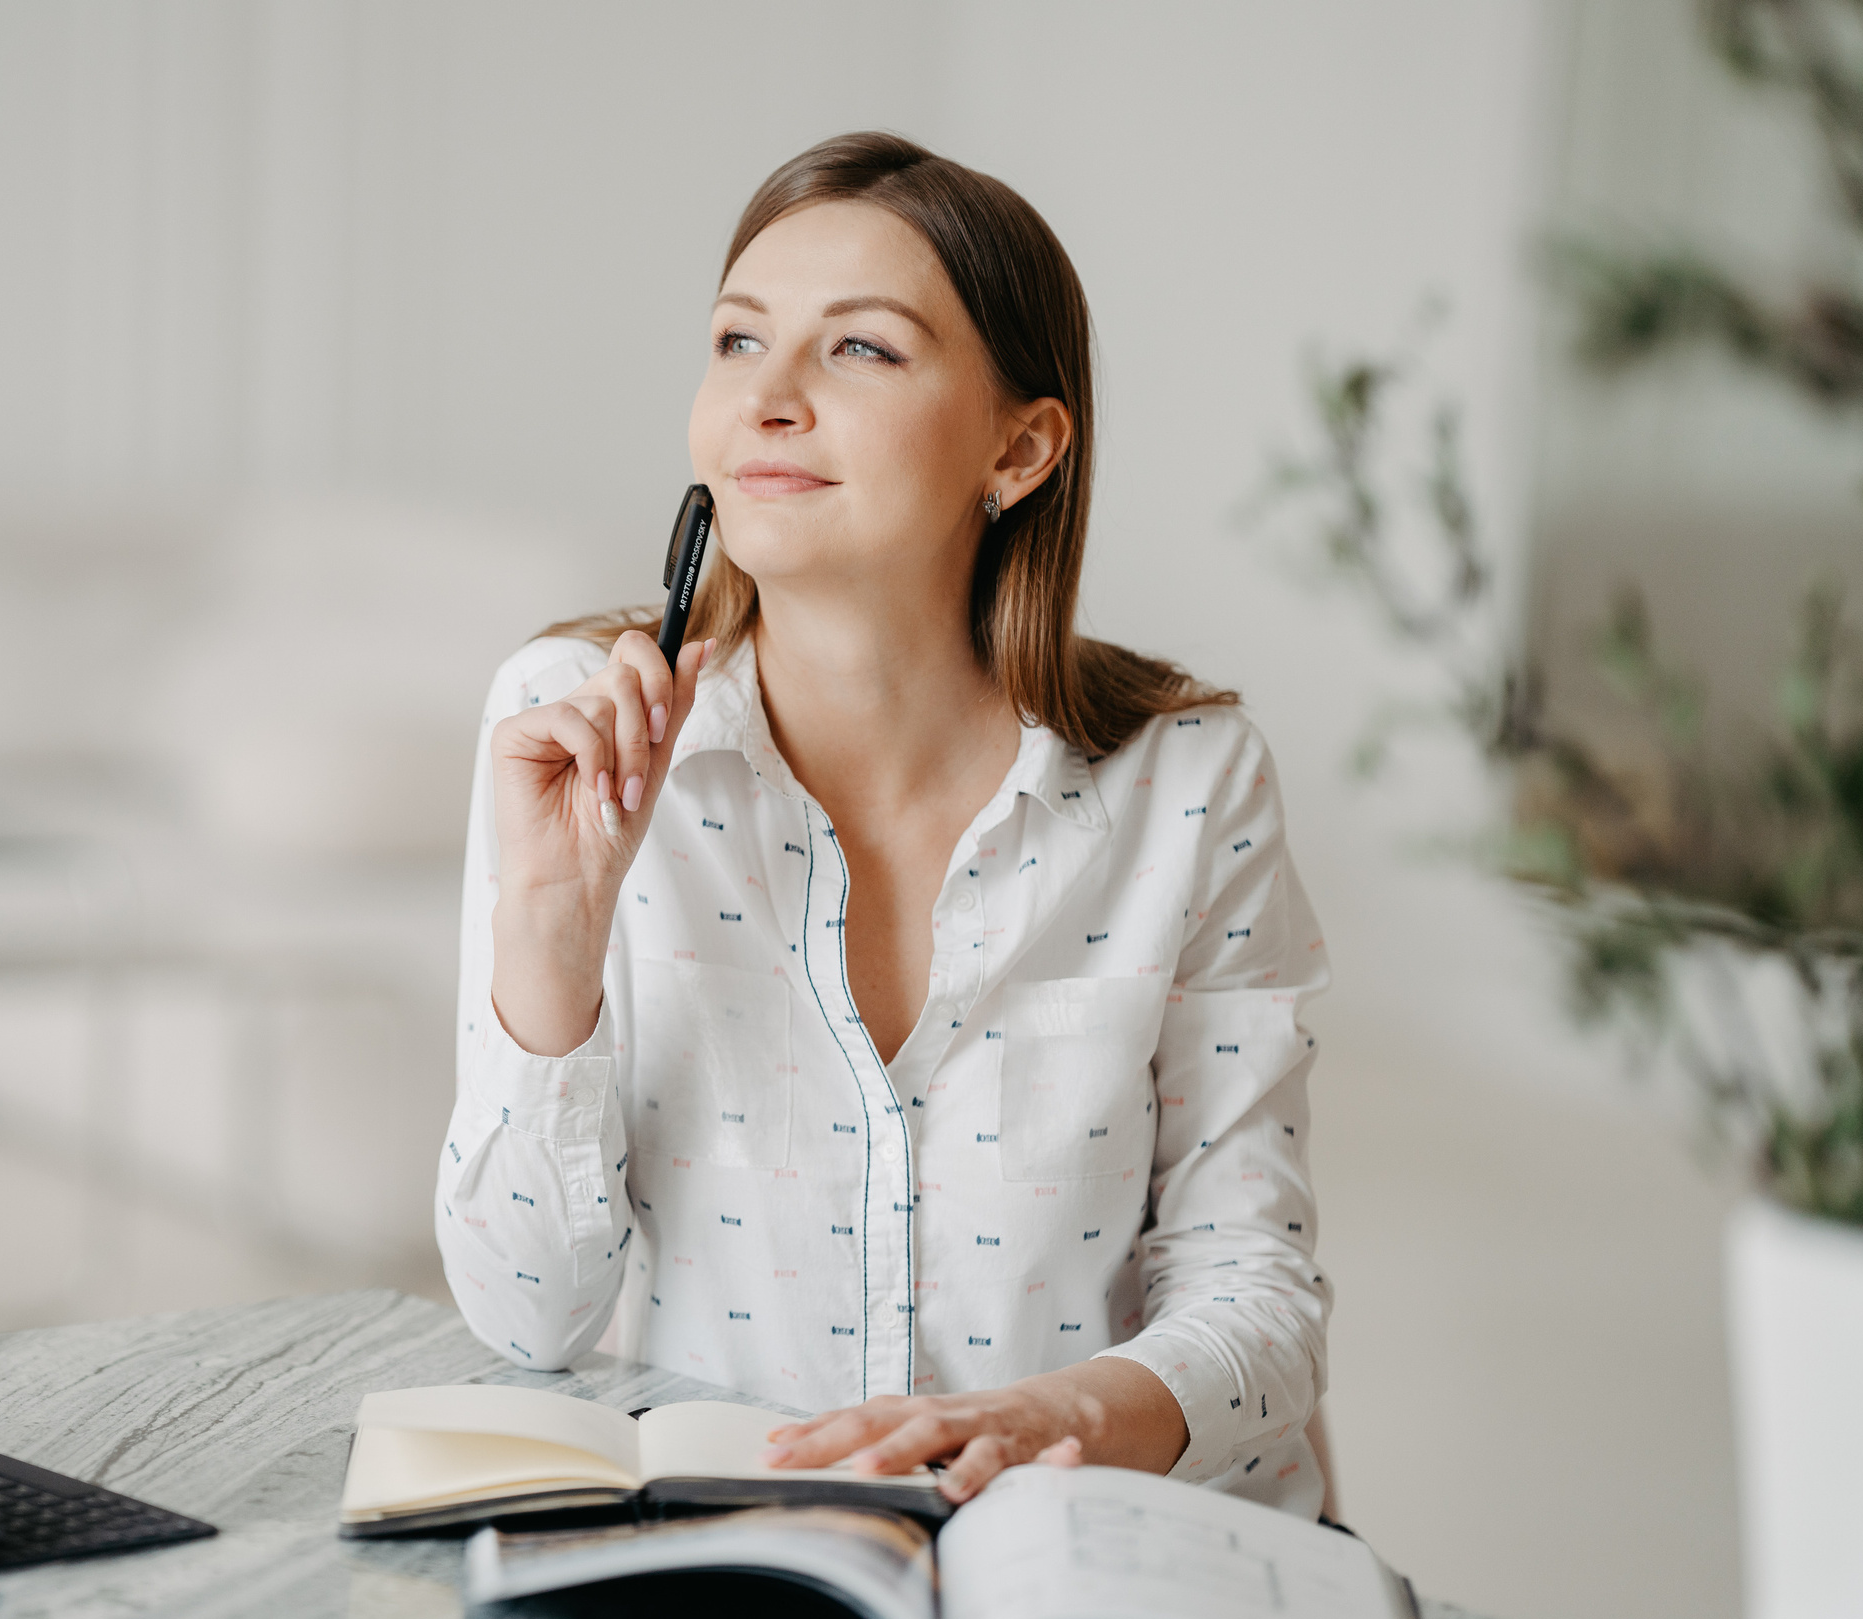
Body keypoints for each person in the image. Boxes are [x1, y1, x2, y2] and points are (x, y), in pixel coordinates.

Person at [436, 133, 1332, 1517]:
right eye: (738, 341)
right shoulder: (570, 725)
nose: (768, 400)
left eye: (859, 351)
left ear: (1020, 448)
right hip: (751, 1561)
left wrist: (1050, 1425)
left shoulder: (1188, 778)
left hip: (1088, 1547)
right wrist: (550, 936)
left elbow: (1259, 1301)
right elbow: (524, 1318)